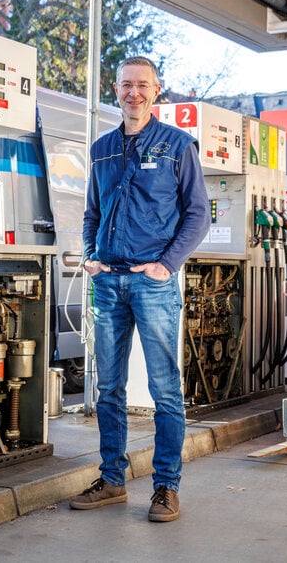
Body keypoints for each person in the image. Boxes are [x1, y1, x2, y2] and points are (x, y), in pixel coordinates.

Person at [70, 56, 210, 522]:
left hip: (153, 284)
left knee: (165, 390)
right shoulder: (103, 149)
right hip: (108, 282)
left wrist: (167, 266)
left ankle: (166, 488)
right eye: (127, 84)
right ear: (116, 88)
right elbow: (92, 211)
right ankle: (112, 480)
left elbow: (198, 214)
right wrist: (91, 256)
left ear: (157, 90)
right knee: (108, 387)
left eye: (143, 85)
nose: (134, 93)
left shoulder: (176, 145)